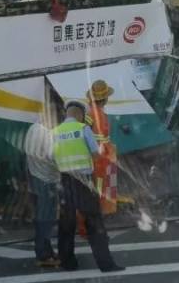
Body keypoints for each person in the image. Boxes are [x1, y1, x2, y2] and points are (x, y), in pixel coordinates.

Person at [53, 101, 123, 273]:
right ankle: (106, 265)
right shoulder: (83, 129)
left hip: (64, 182)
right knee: (94, 223)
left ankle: (68, 263)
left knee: (66, 225)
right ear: (79, 114)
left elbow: (51, 157)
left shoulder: (54, 133)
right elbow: (95, 154)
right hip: (83, 181)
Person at [24, 112, 60, 267]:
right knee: (46, 217)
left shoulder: (32, 129)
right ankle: (43, 254)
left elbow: (27, 152)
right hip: (48, 180)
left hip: (35, 177)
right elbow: (53, 156)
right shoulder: (47, 134)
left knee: (41, 216)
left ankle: (46, 251)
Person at [86, 80, 119, 215]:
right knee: (101, 182)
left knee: (104, 181)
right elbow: (87, 132)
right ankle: (100, 210)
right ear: (104, 98)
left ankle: (104, 209)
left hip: (104, 153)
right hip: (100, 154)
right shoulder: (92, 113)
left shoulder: (94, 112)